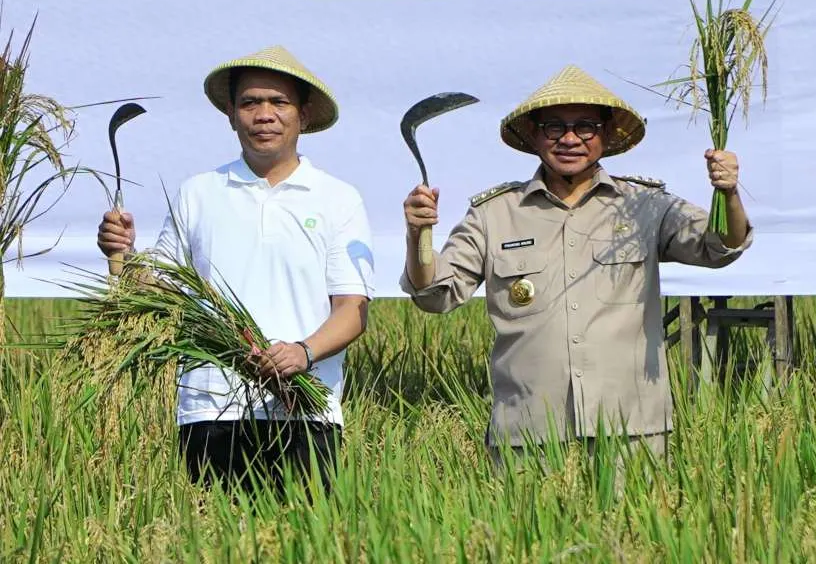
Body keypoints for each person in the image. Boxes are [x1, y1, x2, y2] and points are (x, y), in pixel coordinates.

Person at [401, 64, 752, 468]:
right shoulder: (493, 214)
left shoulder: (644, 205)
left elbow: (721, 247)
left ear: (606, 134)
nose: (570, 139)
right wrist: (417, 234)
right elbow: (435, 295)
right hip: (527, 435)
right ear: (534, 135)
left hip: (631, 433)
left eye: (585, 126)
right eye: (554, 127)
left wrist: (728, 194)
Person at [96, 45, 375, 492]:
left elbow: (353, 309)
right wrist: (123, 256)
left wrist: (302, 352)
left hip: (305, 411)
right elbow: (159, 297)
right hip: (211, 409)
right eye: (250, 102)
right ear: (231, 115)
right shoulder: (198, 194)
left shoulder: (337, 199)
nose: (264, 114)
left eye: (278, 102)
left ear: (302, 115)